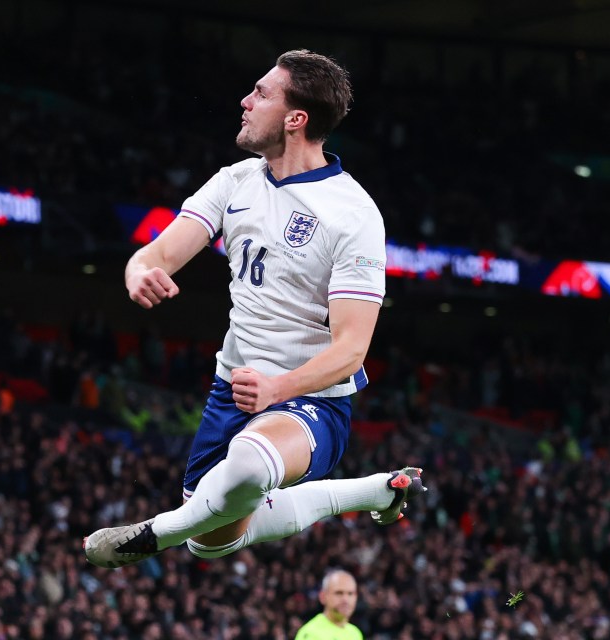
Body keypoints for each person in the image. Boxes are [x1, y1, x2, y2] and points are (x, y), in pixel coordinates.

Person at [85, 49, 426, 568]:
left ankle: (151, 535)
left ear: (296, 119)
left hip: (311, 399)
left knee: (244, 467)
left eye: (261, 93)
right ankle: (373, 492)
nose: (245, 101)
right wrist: (140, 272)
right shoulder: (235, 181)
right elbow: (156, 253)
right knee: (210, 539)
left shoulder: (353, 215)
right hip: (234, 390)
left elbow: (353, 350)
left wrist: (279, 388)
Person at [296, 570, 363, 640]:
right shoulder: (311, 633)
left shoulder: (355, 633)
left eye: (350, 593)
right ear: (323, 596)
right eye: (339, 593)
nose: (345, 599)